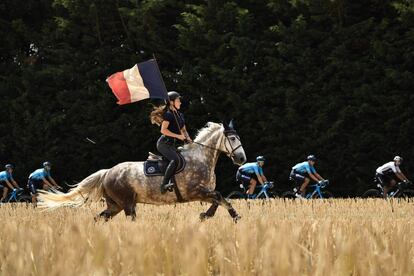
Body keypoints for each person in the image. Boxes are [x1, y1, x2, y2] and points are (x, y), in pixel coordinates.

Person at [150, 91, 192, 194]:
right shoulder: (168, 115)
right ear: (172, 102)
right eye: (178, 100)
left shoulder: (180, 115)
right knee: (175, 159)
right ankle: (164, 184)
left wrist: (188, 138)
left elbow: (183, 130)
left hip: (171, 145)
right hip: (163, 144)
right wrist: (178, 136)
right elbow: (163, 130)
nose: (180, 102)